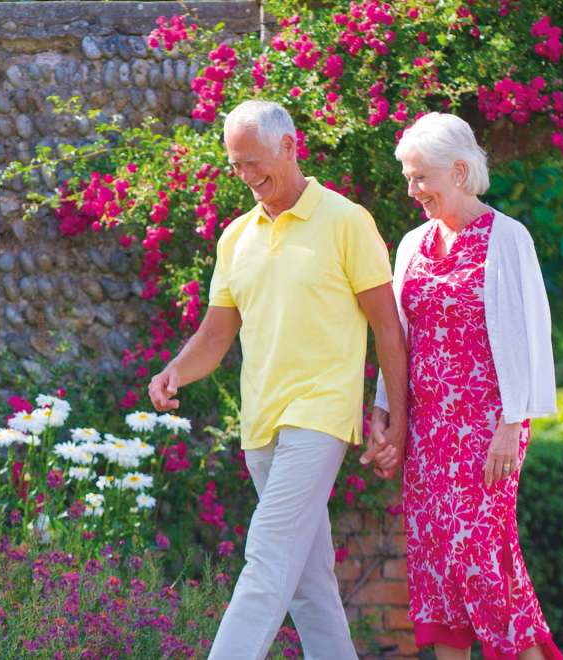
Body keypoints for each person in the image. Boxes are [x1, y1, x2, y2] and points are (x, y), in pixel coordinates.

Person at [147, 99, 409, 660]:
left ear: (290, 146)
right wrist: (175, 371)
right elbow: (215, 336)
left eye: (253, 162)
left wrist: (396, 418)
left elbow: (388, 328)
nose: (245, 176)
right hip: (260, 425)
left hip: (319, 418)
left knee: (266, 559)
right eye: (236, 165)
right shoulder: (235, 237)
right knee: (310, 582)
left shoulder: (346, 221)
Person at [369, 112, 563, 660]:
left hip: (487, 432)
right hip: (429, 433)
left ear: (458, 171)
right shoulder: (410, 245)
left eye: (420, 176)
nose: (412, 190)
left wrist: (512, 424)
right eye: (408, 177)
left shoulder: (508, 238)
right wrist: (385, 411)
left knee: (480, 558)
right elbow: (398, 338)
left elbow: (532, 337)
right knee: (435, 564)